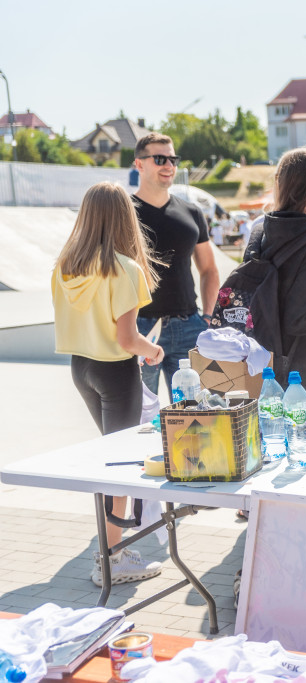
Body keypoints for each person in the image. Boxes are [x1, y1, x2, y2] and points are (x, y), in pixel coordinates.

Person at [51, 182, 166, 587]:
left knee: (109, 461)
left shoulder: (66, 266)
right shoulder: (125, 268)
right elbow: (126, 341)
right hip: (116, 371)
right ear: (125, 217)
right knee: (119, 469)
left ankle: (111, 550)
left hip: (81, 368)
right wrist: (153, 351)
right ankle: (111, 560)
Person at [241, 147, 306, 394]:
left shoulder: (260, 232)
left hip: (254, 360)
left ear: (280, 183)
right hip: (294, 370)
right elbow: (302, 319)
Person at [131, 133, 219, 395]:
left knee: (193, 416)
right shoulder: (124, 212)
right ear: (139, 164)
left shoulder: (192, 212)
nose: (169, 166)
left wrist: (207, 318)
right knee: (140, 415)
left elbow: (209, 270)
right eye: (160, 159)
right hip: (140, 327)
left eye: (173, 159)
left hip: (188, 324)